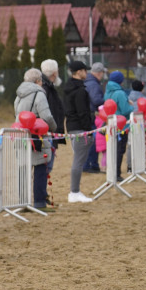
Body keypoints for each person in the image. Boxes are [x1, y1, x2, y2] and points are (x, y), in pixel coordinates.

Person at [14, 68, 57, 209]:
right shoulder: (39, 94)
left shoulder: (19, 95)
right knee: (40, 169)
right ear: (38, 81)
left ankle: (23, 202)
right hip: (37, 136)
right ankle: (39, 202)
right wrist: (53, 128)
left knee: (23, 169)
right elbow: (47, 116)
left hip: (22, 136)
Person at [63, 61, 94, 203]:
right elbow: (83, 112)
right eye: (84, 70)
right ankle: (74, 191)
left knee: (78, 159)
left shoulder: (69, 88)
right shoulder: (80, 90)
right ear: (79, 72)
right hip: (80, 128)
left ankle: (74, 191)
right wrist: (89, 130)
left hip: (72, 126)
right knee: (78, 160)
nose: (86, 73)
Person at [104, 71, 134, 178]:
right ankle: (117, 174)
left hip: (111, 124)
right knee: (119, 150)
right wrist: (132, 107)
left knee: (112, 150)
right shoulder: (120, 93)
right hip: (121, 125)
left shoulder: (108, 91)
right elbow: (125, 110)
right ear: (120, 81)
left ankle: (113, 173)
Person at [39, 59, 66, 175]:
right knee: (46, 167)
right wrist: (54, 128)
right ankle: (41, 192)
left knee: (47, 168)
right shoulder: (46, 88)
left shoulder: (48, 87)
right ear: (54, 73)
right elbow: (47, 113)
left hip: (50, 132)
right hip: (48, 133)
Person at [83, 62, 107, 173]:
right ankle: (90, 165)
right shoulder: (93, 84)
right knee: (92, 141)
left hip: (89, 114)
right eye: (102, 73)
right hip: (93, 116)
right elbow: (96, 100)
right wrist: (106, 101)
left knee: (90, 141)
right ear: (99, 73)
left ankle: (91, 164)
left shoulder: (88, 81)